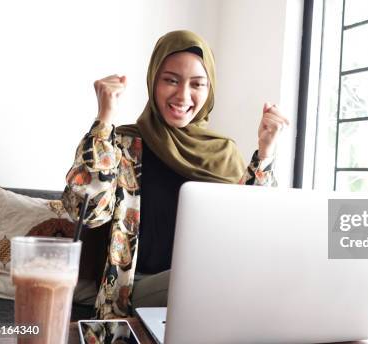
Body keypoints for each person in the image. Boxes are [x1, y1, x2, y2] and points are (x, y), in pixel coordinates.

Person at [62, 30, 289, 319]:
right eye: (170, 80)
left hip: (213, 291)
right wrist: (104, 120)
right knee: (222, 283)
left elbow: (256, 229)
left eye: (197, 84)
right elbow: (86, 211)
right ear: (153, 81)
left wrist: (265, 151)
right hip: (136, 287)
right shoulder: (124, 144)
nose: (183, 95)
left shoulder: (223, 153)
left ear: (210, 90)